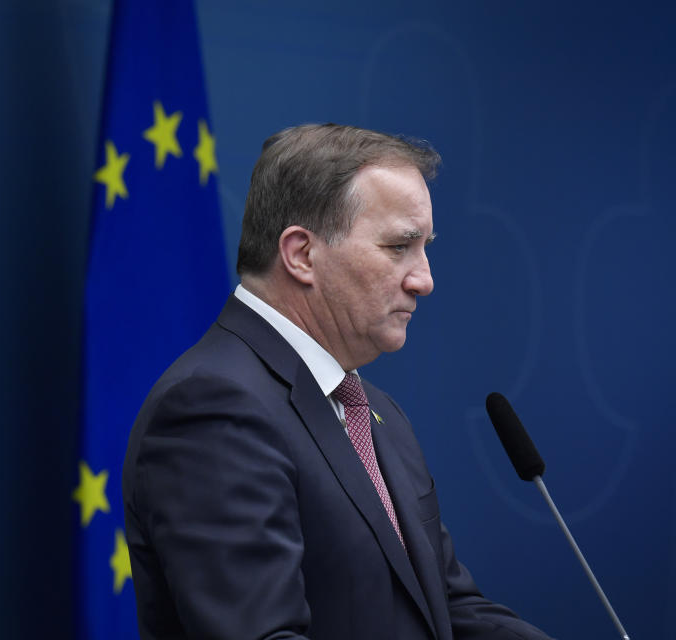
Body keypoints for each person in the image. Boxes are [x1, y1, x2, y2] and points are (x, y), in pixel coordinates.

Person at [122, 124, 552, 640]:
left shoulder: (376, 412)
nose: (425, 279)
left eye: (426, 248)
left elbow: (449, 609)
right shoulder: (214, 409)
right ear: (302, 254)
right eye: (399, 247)